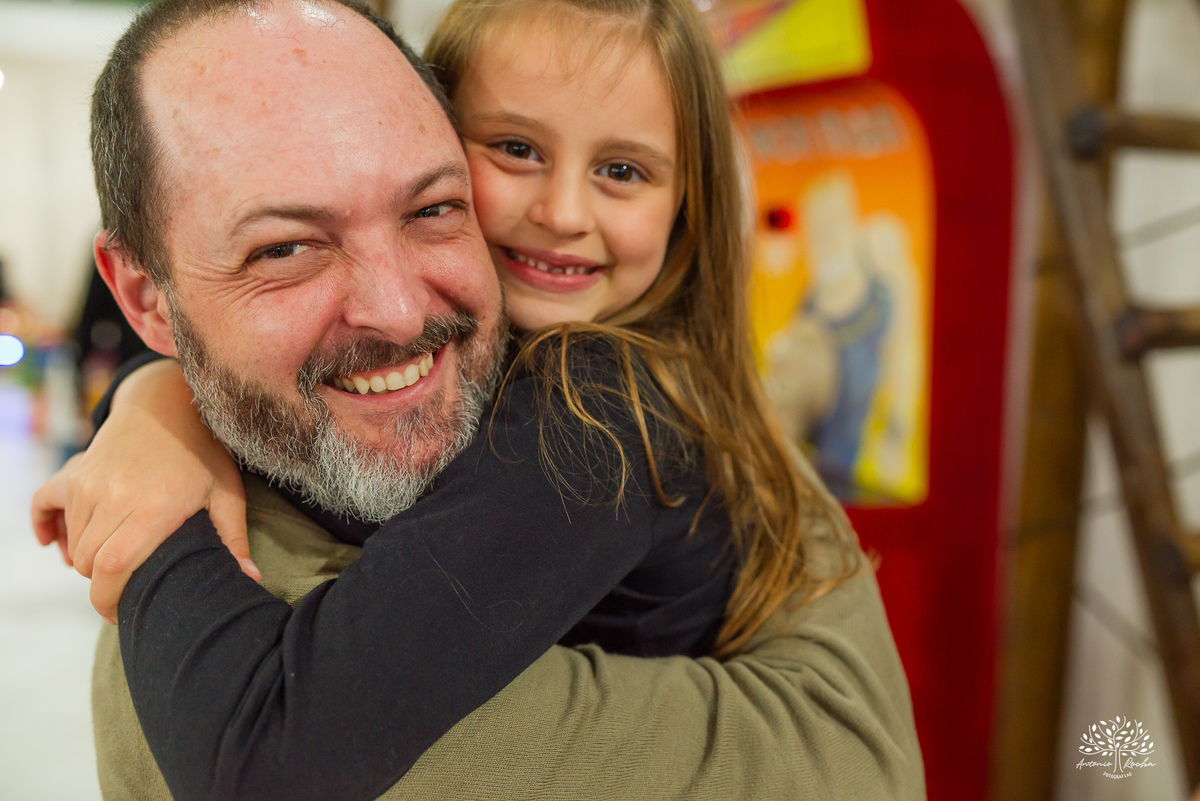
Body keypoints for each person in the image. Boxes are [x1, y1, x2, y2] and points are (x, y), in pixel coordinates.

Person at [32, 0, 925, 798]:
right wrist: (156, 403)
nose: (565, 211)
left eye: (625, 171)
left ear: (688, 204)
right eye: (517, 150)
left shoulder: (597, 413)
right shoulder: (573, 375)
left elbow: (266, 758)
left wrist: (154, 525)